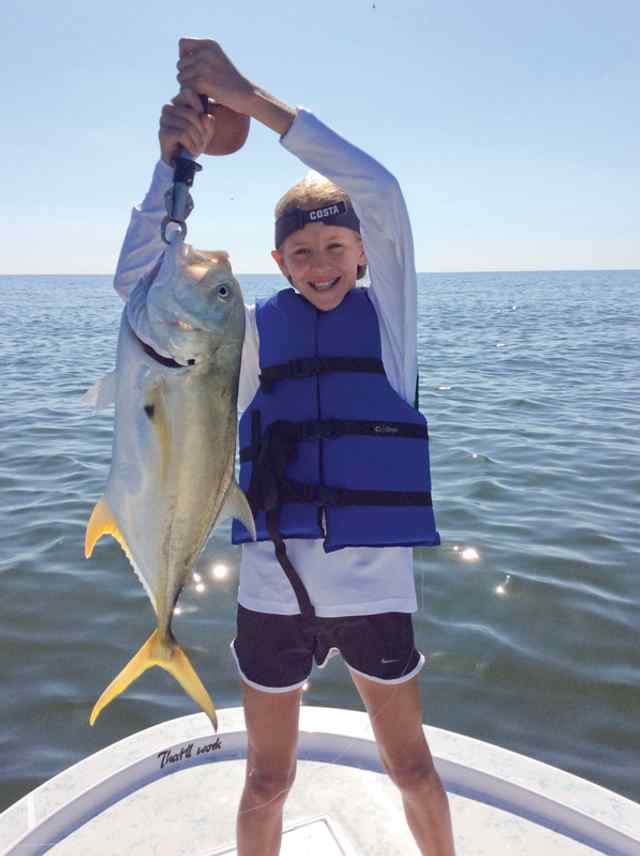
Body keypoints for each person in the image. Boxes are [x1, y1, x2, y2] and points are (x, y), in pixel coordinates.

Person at [114, 37, 455, 856]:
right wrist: (174, 170)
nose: (321, 264)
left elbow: (384, 190)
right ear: (278, 261)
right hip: (274, 592)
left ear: (365, 250)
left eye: (337, 247)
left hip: (377, 592)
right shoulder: (247, 335)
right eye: (301, 252)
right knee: (267, 780)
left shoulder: (393, 330)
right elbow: (141, 288)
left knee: (410, 765)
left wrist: (250, 99)